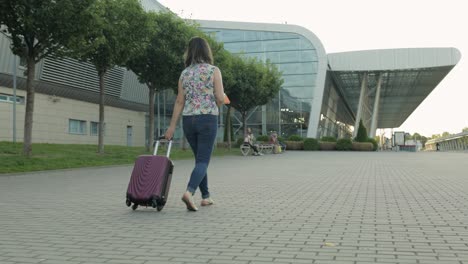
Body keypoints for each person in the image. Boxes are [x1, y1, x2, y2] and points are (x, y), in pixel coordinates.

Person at [164, 37, 225, 212]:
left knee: (199, 159)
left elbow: (179, 101)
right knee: (203, 161)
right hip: (207, 119)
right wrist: (218, 101)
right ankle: (189, 192)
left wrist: (171, 127)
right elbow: (220, 98)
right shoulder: (214, 71)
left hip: (188, 120)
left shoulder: (185, 74)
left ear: (189, 52)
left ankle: (206, 197)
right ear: (207, 51)